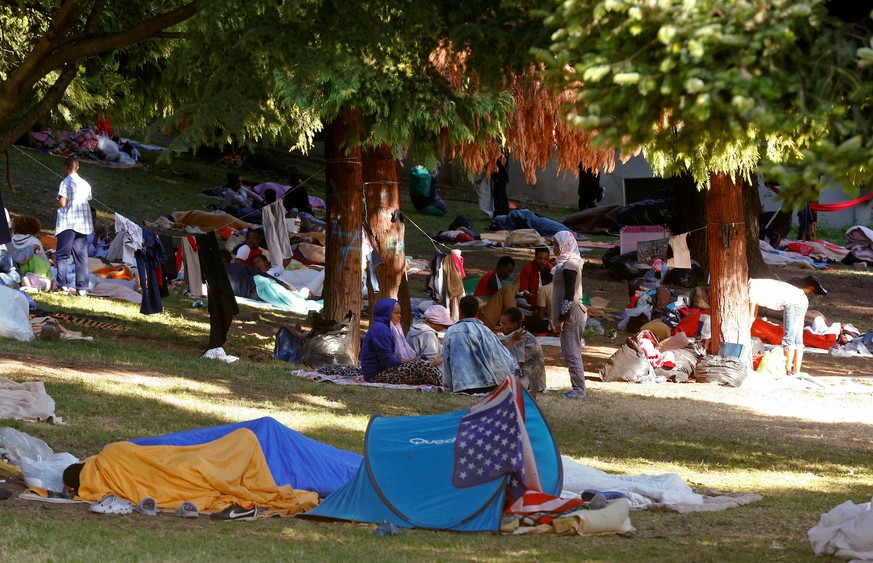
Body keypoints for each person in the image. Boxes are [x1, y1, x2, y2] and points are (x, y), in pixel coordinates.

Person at [442, 296, 520, 394]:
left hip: (462, 386)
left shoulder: (451, 331)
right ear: (477, 312)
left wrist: (449, 387)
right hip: (487, 385)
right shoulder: (486, 331)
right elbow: (499, 358)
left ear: (460, 311)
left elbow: (447, 361)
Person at [358, 298, 443, 385]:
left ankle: (442, 381)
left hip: (386, 370)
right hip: (376, 375)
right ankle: (443, 382)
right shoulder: (380, 330)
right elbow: (387, 361)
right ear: (385, 313)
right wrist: (411, 360)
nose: (399, 316)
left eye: (399, 313)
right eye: (396, 313)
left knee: (421, 366)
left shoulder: (390, 328)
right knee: (422, 366)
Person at [551, 230, 588, 399]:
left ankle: (579, 390)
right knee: (570, 351)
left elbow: (569, 294)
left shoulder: (569, 266)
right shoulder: (567, 263)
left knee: (572, 352)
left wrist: (562, 318)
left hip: (572, 314)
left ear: (565, 244)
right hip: (571, 313)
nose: (554, 248)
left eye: (556, 244)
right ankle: (576, 387)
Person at [748, 278, 810, 375]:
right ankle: (796, 372)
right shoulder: (755, 284)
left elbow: (751, 316)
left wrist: (747, 329)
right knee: (797, 340)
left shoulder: (751, 289)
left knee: (788, 339)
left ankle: (787, 371)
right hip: (801, 299)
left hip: (793, 302)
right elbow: (754, 313)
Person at [54, 156, 94, 296]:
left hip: (68, 224)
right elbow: (87, 199)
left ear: (66, 168)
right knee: (81, 257)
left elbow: (63, 203)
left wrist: (56, 201)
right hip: (82, 224)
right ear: (78, 167)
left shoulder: (66, 181)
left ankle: (62, 285)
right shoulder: (86, 184)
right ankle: (82, 288)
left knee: (62, 255)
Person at [497, 307, 546, 400]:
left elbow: (515, 364)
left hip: (528, 382)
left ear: (514, 324)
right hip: (539, 382)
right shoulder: (521, 334)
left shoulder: (517, 337)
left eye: (504, 324)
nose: (501, 326)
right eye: (500, 323)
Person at [474, 255, 518, 329]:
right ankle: (514, 321)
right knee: (508, 287)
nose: (509, 274)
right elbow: (499, 296)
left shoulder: (497, 278)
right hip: (483, 317)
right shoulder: (492, 277)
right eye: (509, 271)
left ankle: (514, 319)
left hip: (486, 314)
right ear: (501, 267)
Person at [491, 150, 510, 217]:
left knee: (499, 195)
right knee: (502, 195)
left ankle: (499, 215)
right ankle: (504, 213)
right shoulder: (505, 149)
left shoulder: (501, 150)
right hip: (501, 176)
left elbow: (500, 163)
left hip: (500, 175)